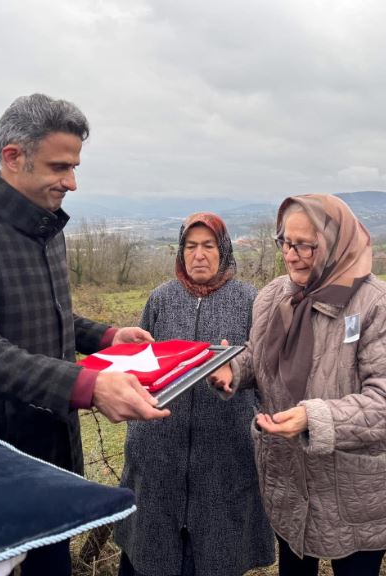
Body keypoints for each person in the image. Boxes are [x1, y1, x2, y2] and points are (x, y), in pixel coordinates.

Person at [0, 94, 169, 576]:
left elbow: (46, 318)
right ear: (13, 156)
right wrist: (87, 386)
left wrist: (106, 337)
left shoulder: (48, 231)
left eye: (73, 167)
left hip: (50, 459)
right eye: (59, 166)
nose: (71, 182)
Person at [210, 194, 386, 576]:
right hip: (289, 477)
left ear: (337, 244)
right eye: (286, 243)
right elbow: (260, 357)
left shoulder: (376, 304)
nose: (291, 255)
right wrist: (234, 370)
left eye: (305, 245)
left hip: (356, 490)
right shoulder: (275, 296)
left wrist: (315, 417)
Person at [115, 212, 274, 576]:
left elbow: (265, 372)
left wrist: (233, 380)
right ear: (181, 252)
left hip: (225, 456)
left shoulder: (250, 301)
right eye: (190, 246)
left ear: (224, 251)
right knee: (151, 553)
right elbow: (141, 365)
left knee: (218, 555)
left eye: (208, 246)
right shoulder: (161, 299)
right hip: (158, 454)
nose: (199, 255)